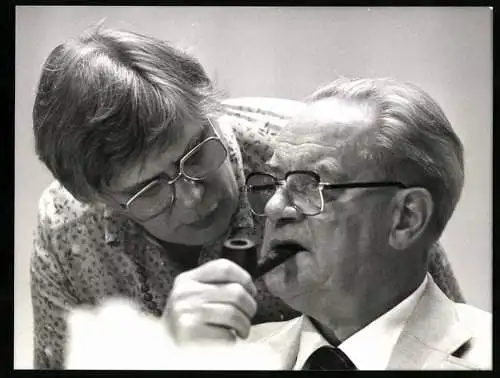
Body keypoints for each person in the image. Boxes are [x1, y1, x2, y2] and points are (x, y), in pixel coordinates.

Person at [31, 25, 464, 369]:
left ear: (211, 109)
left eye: (196, 152)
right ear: (100, 201)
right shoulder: (67, 232)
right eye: (149, 190)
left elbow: (451, 342)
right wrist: (160, 355)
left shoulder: (323, 158)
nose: (193, 196)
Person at [165, 78, 491, 370]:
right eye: (272, 182)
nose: (276, 207)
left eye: (312, 185)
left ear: (406, 218)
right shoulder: (223, 357)